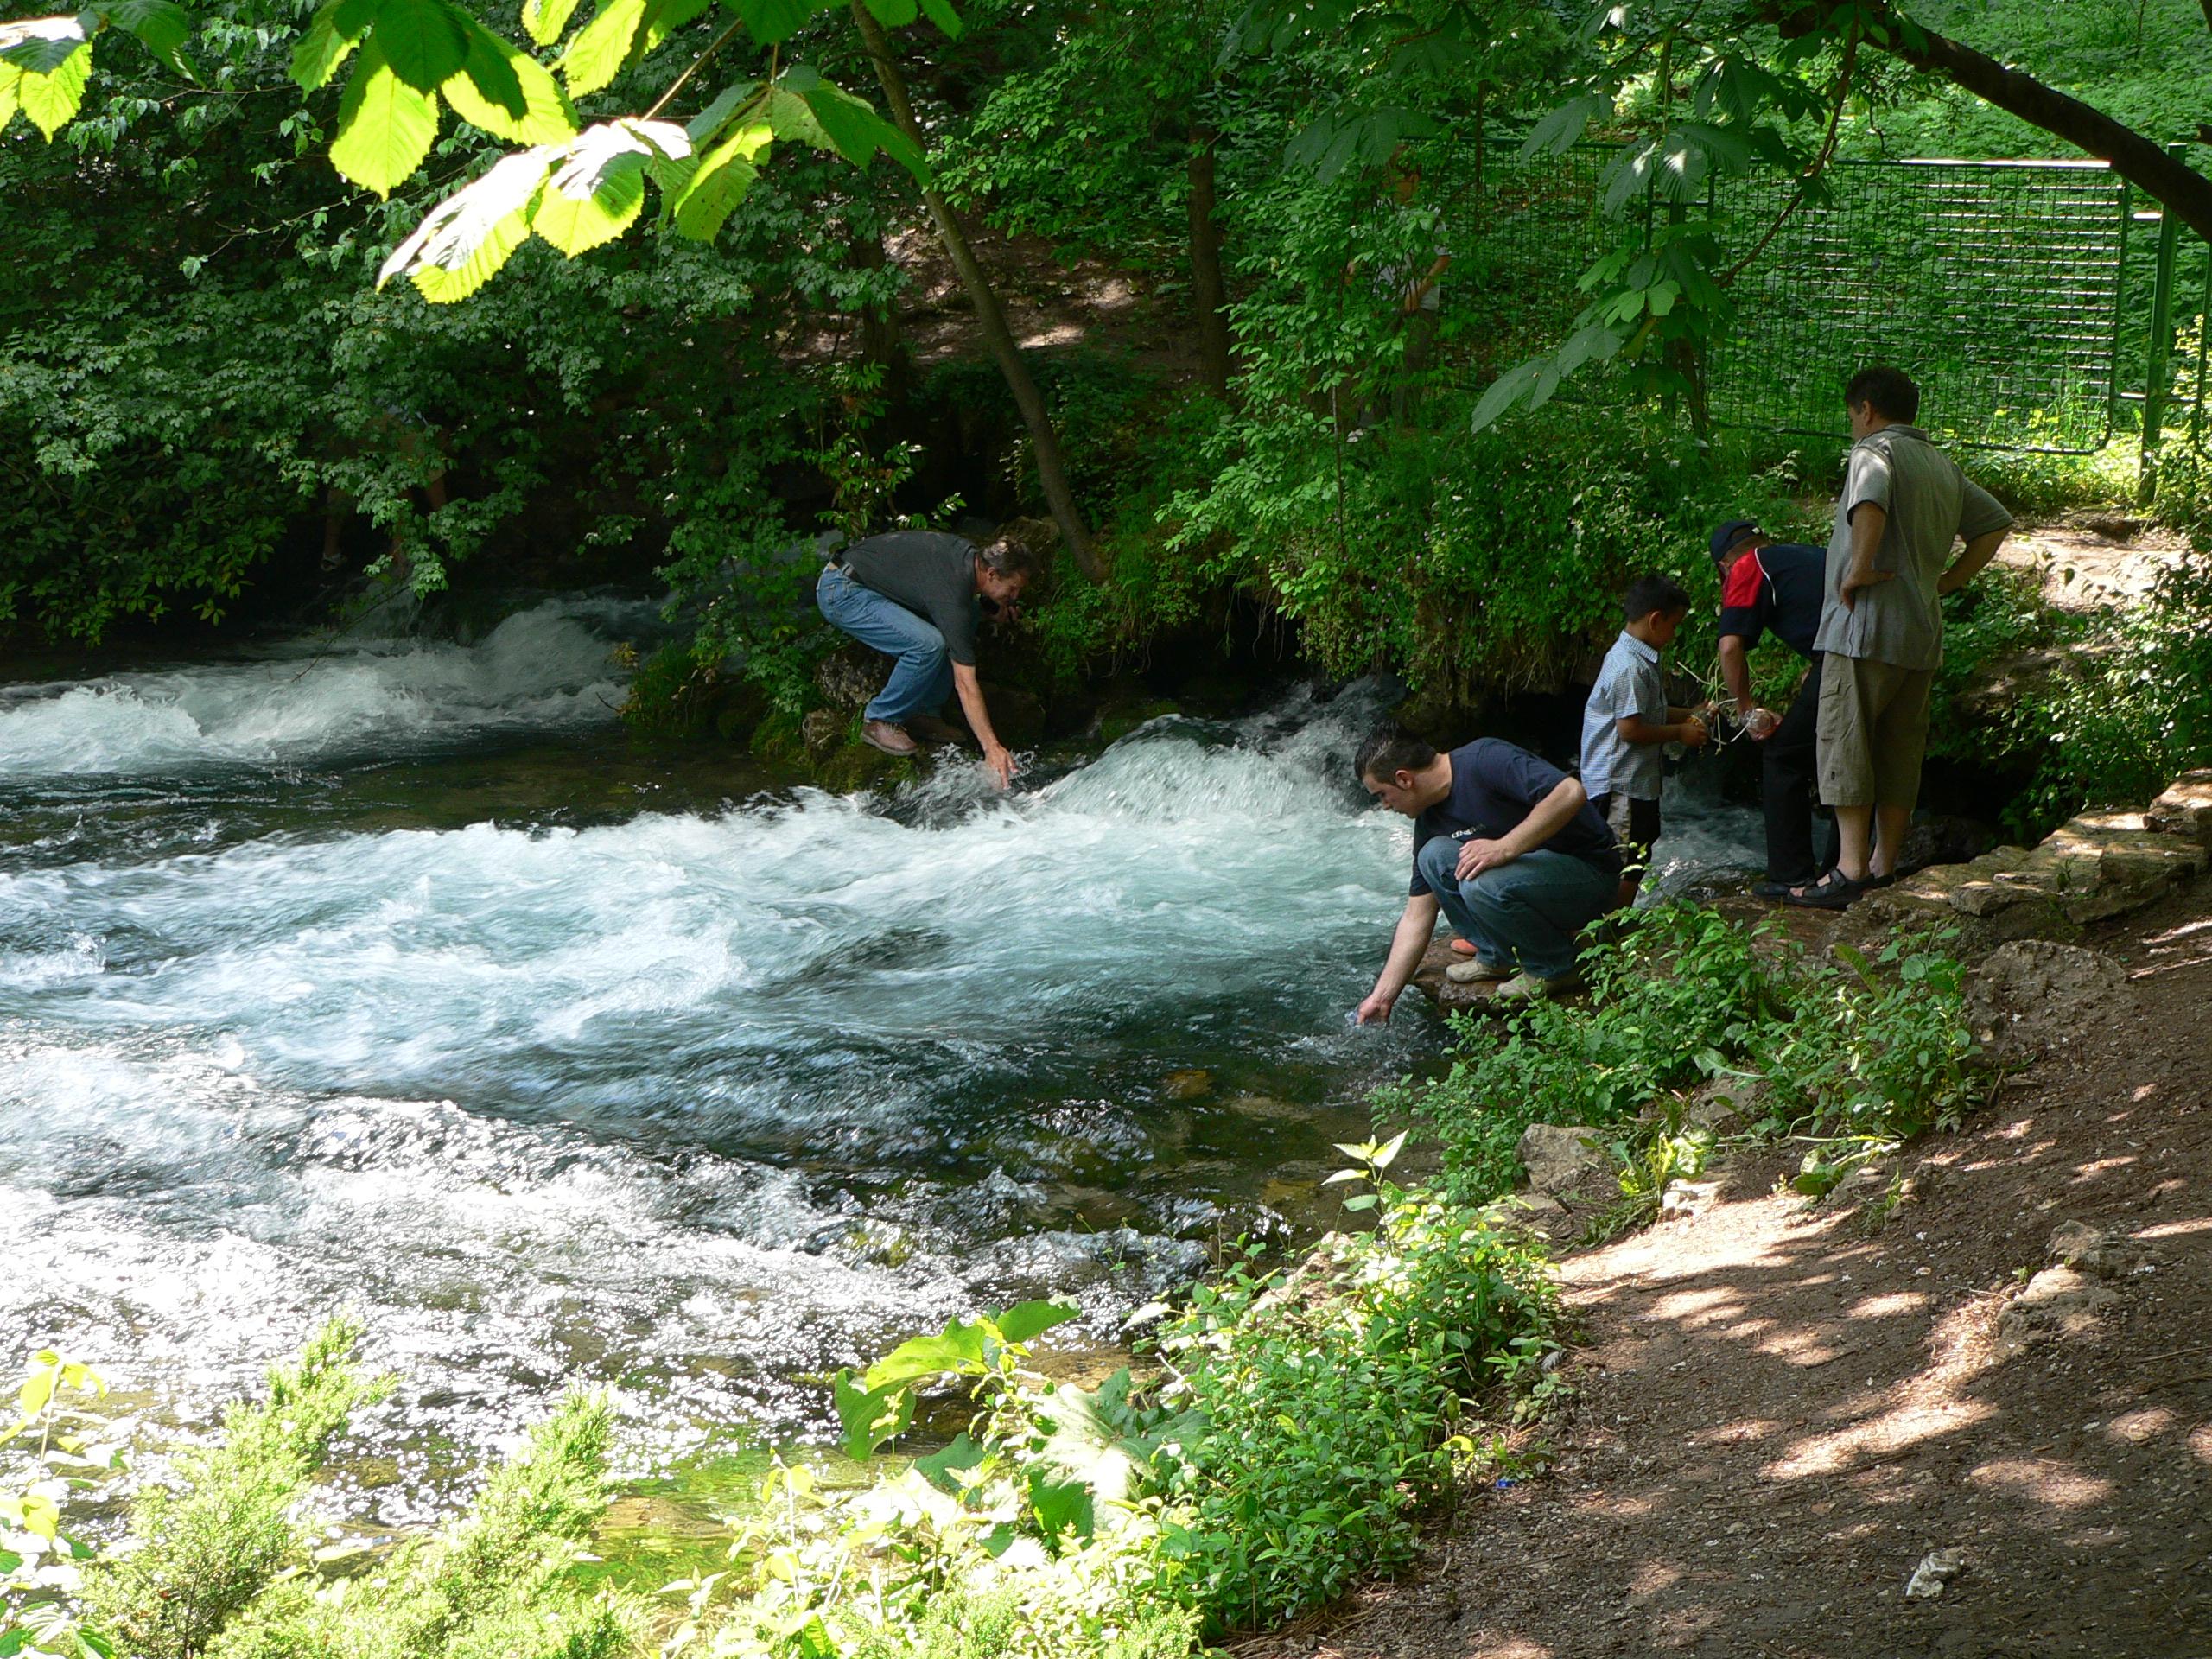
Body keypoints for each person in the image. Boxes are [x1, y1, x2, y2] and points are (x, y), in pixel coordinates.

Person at [1787, 366, 2012, 907]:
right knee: (1899, 750)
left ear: (1865, 408)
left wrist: (1858, 566)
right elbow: (1996, 522)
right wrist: (1949, 581)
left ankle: (1849, 871)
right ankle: (1886, 866)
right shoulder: (1941, 464)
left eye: (1850, 415)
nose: (1851, 426)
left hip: (1863, 630)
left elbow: (1870, 500)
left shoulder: (1874, 451)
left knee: (1845, 739)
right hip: (1919, 634)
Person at [1352, 727, 1622, 1022]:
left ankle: (1555, 966)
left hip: (1589, 877)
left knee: (1481, 882)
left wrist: (1505, 848)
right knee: (1434, 856)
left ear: (1404, 779)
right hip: (1529, 887)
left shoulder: (1486, 759)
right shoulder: (1430, 820)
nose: (1386, 807)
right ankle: (1499, 956)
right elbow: (1417, 916)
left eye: (1383, 795)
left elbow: (1570, 792)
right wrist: (1383, 995)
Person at [815, 526, 1041, 789]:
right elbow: (966, 685)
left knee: (961, 623)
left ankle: (923, 714)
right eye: (1013, 589)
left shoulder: (968, 560)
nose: (1015, 598)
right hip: (842, 591)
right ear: (991, 573)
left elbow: (951, 603)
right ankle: (880, 719)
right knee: (929, 645)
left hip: (866, 585)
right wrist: (992, 747)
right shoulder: (953, 590)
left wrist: (988, 609)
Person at [1709, 518, 1839, 899]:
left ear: (1724, 567)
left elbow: (1730, 647)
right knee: (1846, 758)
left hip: (1841, 660)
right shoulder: (1806, 556)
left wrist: (1746, 710)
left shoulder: (1748, 566)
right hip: (1886, 654)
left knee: (1783, 758)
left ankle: (1792, 877)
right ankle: (1845, 873)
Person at [1579, 574, 1708, 905]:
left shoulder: (1635, 658)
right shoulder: (1629, 667)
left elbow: (1647, 714)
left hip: (1634, 783)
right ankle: (1610, 928)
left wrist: (1691, 713)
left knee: (1638, 850)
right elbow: (1630, 730)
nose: (1675, 633)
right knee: (1624, 861)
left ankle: (1612, 924)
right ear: (1655, 620)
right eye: (1674, 625)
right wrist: (1681, 732)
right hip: (1621, 784)